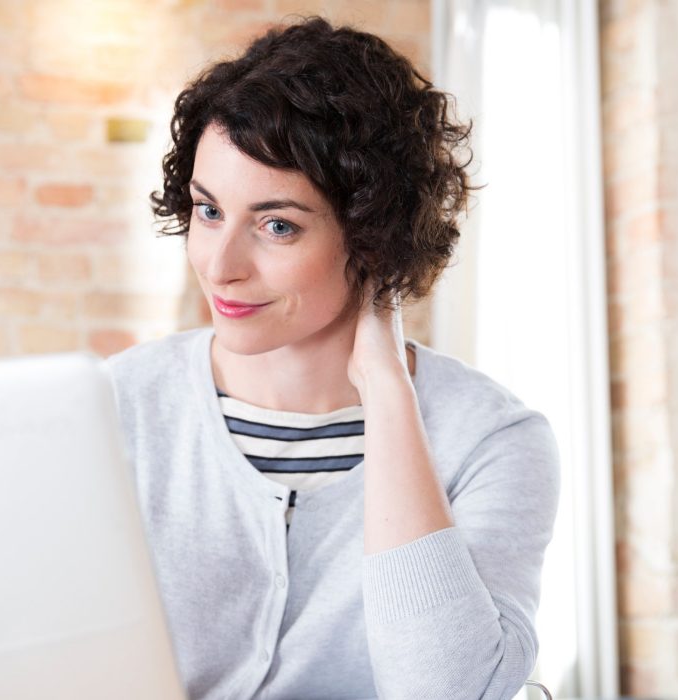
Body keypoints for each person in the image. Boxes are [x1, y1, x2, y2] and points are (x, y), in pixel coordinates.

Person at [105, 15, 559, 700]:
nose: (219, 266)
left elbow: (441, 689)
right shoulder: (118, 406)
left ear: (372, 237)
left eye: (277, 225)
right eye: (208, 211)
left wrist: (386, 390)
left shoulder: (491, 441)